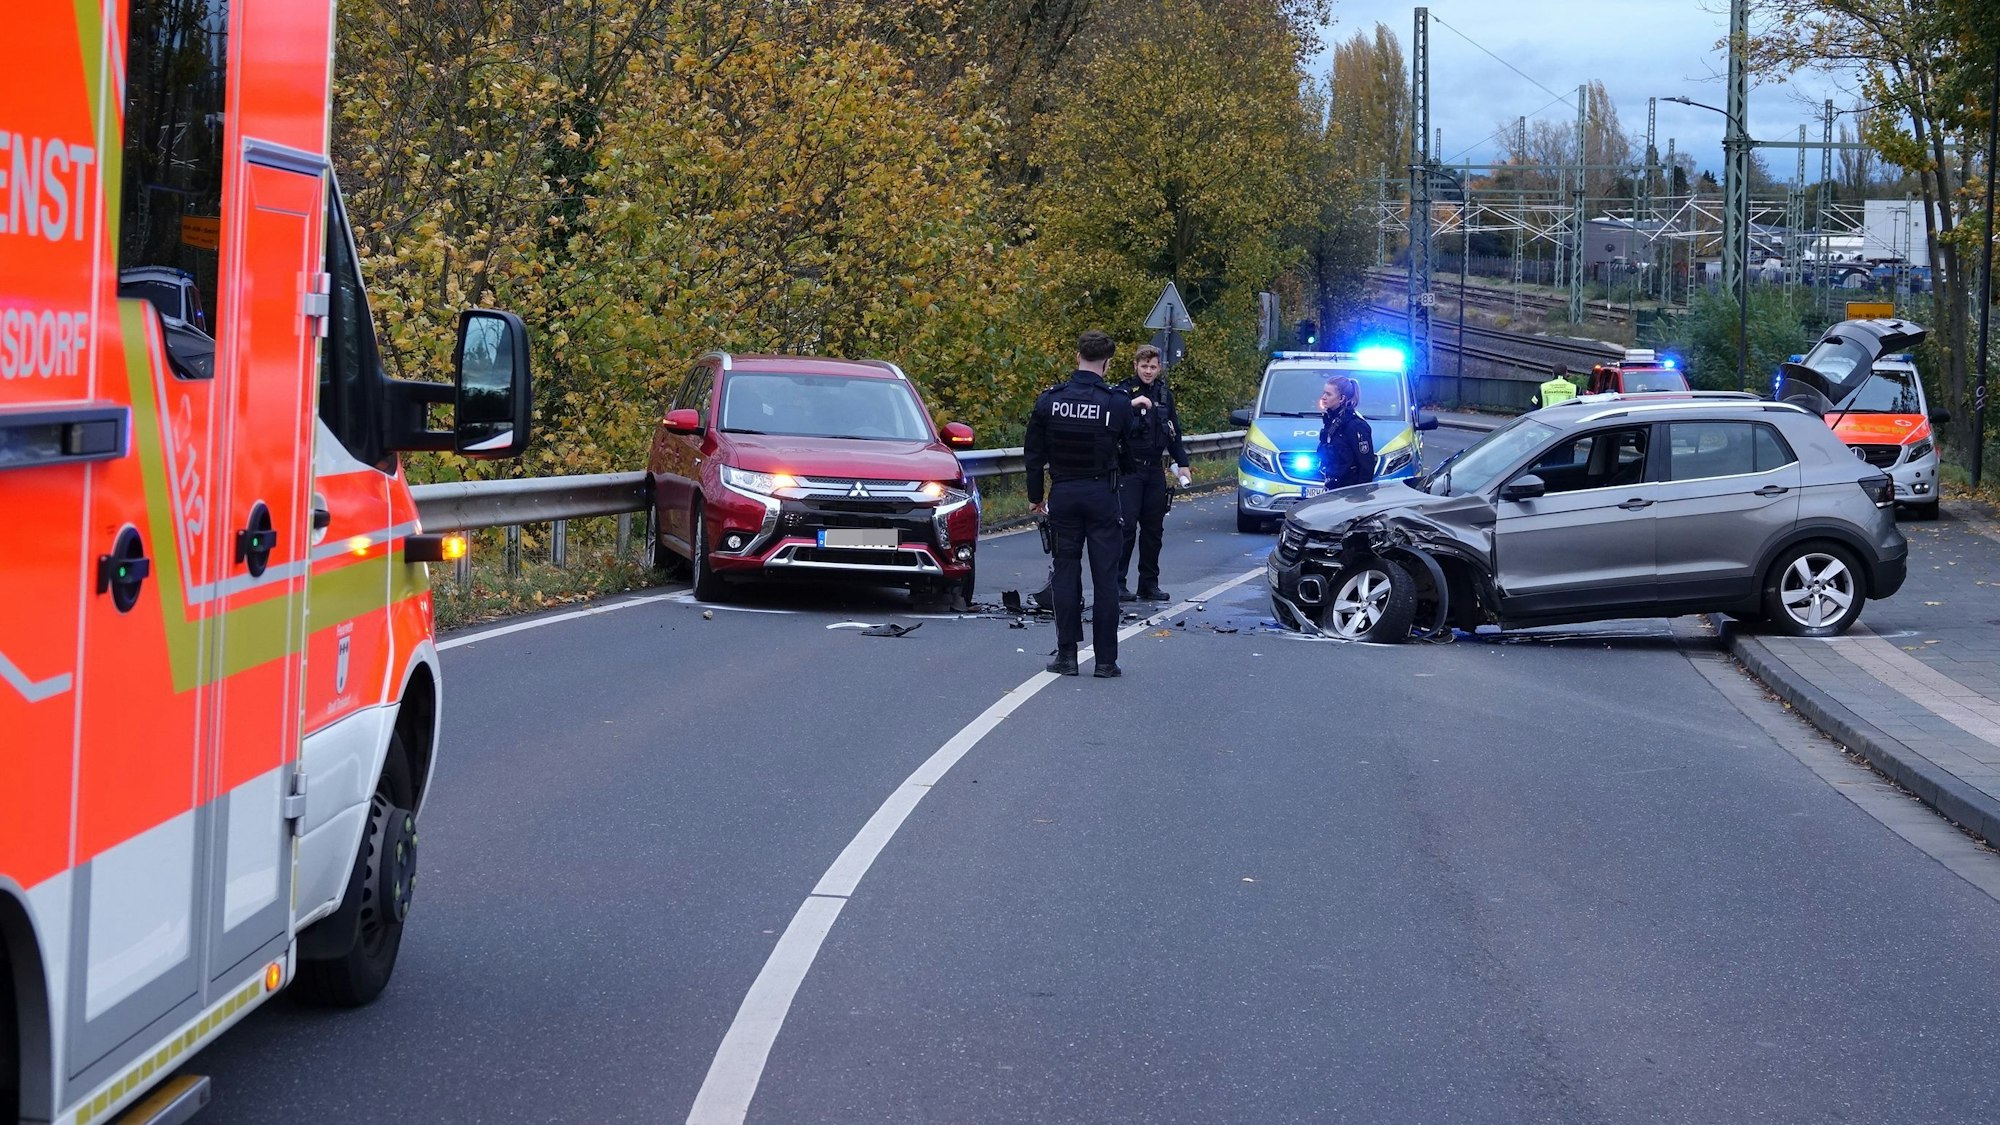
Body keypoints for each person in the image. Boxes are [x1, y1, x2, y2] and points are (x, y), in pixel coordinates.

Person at [1025, 330, 1136, 678]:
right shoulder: (1117, 401)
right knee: (1106, 579)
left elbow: (1033, 456)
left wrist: (1035, 497)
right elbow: (1131, 452)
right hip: (1102, 495)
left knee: (1065, 573)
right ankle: (1105, 661)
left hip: (1064, 495)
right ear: (1107, 362)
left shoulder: (1050, 400)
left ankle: (1067, 656)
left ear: (1077, 357)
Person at [1116, 344, 1192, 603]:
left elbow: (1174, 433)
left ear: (1159, 368)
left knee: (1153, 530)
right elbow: (1112, 423)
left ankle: (1149, 583)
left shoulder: (1164, 394)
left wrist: (1182, 463)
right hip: (1129, 469)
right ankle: (1117, 583)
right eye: (1143, 366)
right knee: (1125, 528)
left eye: (1153, 366)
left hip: (1154, 470)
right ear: (1135, 366)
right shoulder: (1123, 392)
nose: (1148, 371)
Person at [1316, 375, 1374, 491]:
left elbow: (1366, 465)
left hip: (1350, 492)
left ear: (1341, 398)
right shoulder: (1331, 421)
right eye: (1324, 393)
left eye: (1329, 394)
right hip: (1332, 487)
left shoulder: (1355, 425)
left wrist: (1360, 495)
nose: (1323, 397)